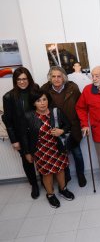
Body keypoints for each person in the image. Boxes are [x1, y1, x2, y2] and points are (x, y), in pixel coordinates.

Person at [21, 89, 75, 208]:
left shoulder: (56, 112)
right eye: (38, 100)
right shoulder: (29, 116)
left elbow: (68, 125)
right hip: (41, 150)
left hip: (57, 147)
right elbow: (24, 136)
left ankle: (63, 189)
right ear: (33, 103)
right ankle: (50, 195)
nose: (42, 103)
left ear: (48, 100)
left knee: (60, 170)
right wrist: (27, 153)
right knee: (47, 174)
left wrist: (62, 130)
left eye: (44, 99)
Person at [41, 66, 87, 187]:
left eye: (59, 76)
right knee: (61, 155)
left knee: (77, 154)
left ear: (64, 77)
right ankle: (66, 176)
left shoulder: (73, 87)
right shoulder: (44, 89)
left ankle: (81, 175)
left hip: (73, 127)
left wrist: (83, 123)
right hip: (56, 129)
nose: (56, 79)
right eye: (53, 76)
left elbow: (81, 106)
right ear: (50, 78)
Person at [2, 67, 40, 199]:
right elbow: (7, 120)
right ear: (15, 81)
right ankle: (34, 185)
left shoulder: (36, 89)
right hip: (21, 135)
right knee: (27, 161)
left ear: (28, 79)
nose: (22, 82)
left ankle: (46, 180)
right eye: (19, 79)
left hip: (37, 131)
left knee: (41, 157)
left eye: (24, 79)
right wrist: (14, 140)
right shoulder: (8, 97)